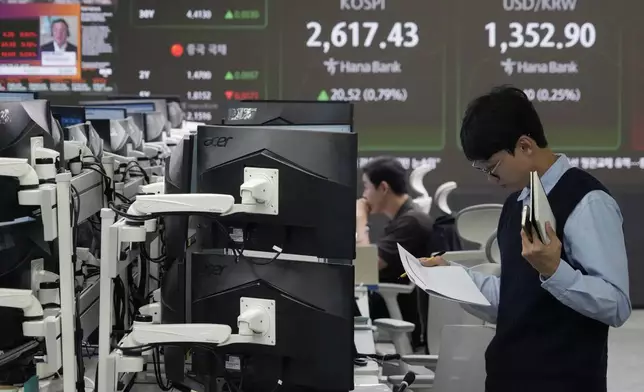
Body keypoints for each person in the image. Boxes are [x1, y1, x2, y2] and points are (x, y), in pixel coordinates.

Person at [421, 86, 631, 392]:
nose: (491, 179)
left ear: (525, 145)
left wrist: (554, 270)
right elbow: (516, 296)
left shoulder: (587, 201)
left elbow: (615, 304)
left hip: (562, 381)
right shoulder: (516, 202)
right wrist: (453, 280)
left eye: (492, 167)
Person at [356, 157, 434, 350]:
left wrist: (360, 220)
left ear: (383, 187)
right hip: (390, 305)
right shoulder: (404, 219)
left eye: (366, 187)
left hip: (401, 313)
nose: (364, 195)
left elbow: (364, 271)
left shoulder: (411, 222)